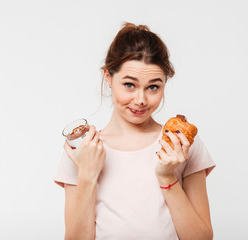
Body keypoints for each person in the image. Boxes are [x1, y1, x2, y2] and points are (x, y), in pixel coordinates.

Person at [54, 22, 216, 240]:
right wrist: (87, 174)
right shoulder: (84, 151)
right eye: (129, 85)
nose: (141, 100)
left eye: (153, 87)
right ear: (109, 77)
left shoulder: (181, 146)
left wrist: (168, 177)